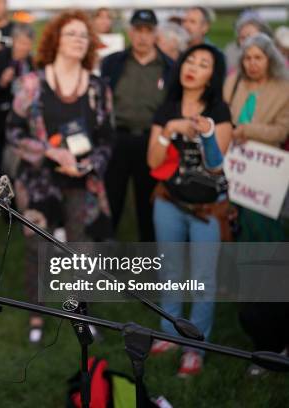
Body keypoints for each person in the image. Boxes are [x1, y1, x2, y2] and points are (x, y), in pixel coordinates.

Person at [6, 10, 114, 343]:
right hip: (39, 182)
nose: (80, 39)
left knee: (84, 250)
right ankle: (38, 313)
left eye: (85, 35)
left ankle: (81, 312)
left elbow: (108, 139)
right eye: (72, 34)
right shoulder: (32, 84)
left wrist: (85, 166)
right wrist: (49, 152)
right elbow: (12, 130)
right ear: (55, 40)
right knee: (39, 248)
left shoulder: (97, 87)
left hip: (82, 183)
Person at [147, 44, 232, 377]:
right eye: (189, 60)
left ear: (213, 75)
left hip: (207, 209)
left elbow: (214, 167)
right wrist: (171, 130)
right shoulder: (166, 108)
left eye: (203, 63)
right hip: (168, 202)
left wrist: (208, 132)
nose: (192, 67)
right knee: (168, 270)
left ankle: (195, 347)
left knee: (202, 279)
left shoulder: (220, 110)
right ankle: (169, 334)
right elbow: (153, 162)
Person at [101, 9, 174, 242]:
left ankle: (149, 261)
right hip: (118, 139)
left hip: (151, 142)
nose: (142, 36)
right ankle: (101, 258)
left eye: (148, 31)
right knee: (111, 199)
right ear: (130, 32)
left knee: (148, 204)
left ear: (156, 34)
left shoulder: (169, 68)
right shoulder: (113, 63)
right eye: (138, 30)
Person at [223, 33, 288, 241]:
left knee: (264, 227)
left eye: (258, 58)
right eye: (247, 58)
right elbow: (222, 115)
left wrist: (247, 130)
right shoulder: (233, 82)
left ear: (270, 59)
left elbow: (281, 131)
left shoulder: (283, 88)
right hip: (234, 164)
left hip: (265, 168)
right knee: (234, 223)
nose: (252, 64)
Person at [0, 23, 34, 178]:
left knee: (16, 169)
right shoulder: (0, 57)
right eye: (21, 43)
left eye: (28, 43)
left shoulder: (31, 62)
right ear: (14, 41)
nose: (24, 47)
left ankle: (14, 201)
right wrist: (1, 82)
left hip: (21, 125)